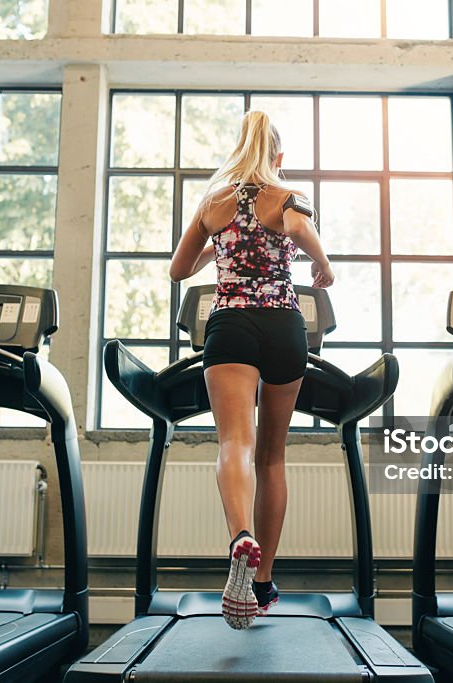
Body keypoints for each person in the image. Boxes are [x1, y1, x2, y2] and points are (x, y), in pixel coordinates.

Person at [169, 110, 335, 630]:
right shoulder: (286, 195)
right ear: (277, 157)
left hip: (231, 325)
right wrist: (323, 264)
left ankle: (241, 535)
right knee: (273, 456)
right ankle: (263, 585)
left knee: (234, 443)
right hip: (285, 326)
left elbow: (178, 269)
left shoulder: (213, 202)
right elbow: (299, 228)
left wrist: (216, 249)